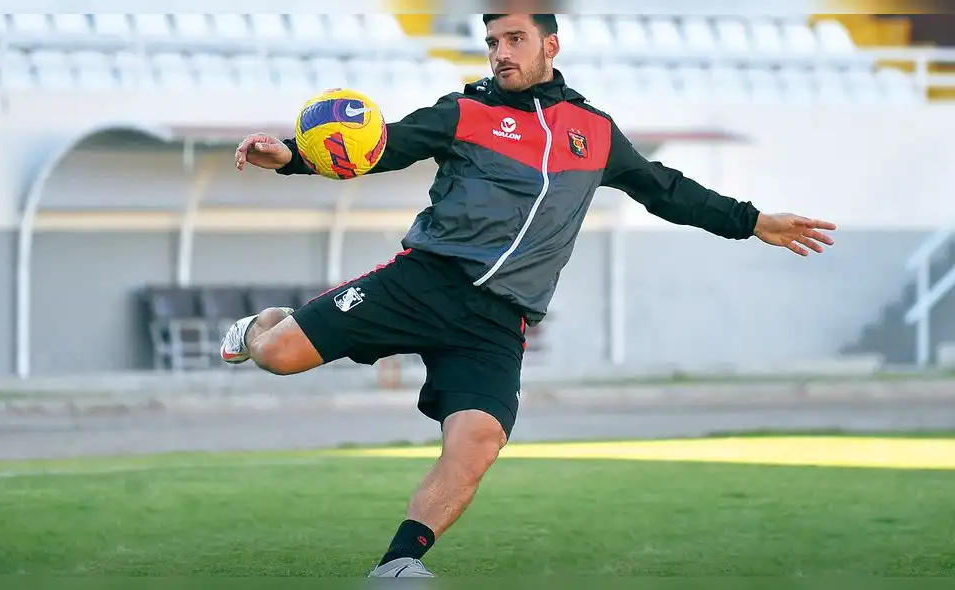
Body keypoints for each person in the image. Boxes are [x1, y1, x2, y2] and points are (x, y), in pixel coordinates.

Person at [223, 13, 836, 577]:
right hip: (423, 283)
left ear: (550, 44)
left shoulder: (593, 132)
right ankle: (263, 326)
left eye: (513, 40)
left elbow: (665, 190)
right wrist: (293, 156)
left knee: (479, 442)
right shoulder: (463, 110)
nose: (500, 54)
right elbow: (384, 145)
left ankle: (399, 566)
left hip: (497, 319)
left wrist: (753, 220)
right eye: (493, 43)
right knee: (278, 354)